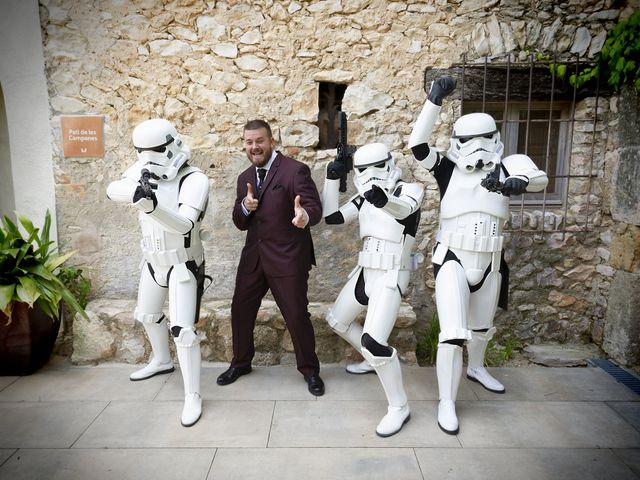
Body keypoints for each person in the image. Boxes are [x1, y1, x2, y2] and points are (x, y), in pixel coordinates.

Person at [408, 77, 548, 434]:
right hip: (452, 257)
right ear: (457, 144)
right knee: (453, 333)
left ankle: (478, 367)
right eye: (468, 142)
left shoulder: (508, 164)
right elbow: (418, 145)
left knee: (482, 328)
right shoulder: (446, 170)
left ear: (496, 138)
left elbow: (538, 177)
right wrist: (434, 101)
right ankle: (447, 401)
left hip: (490, 259)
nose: (477, 149)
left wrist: (517, 181)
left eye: (483, 140)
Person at [106, 118, 210, 427]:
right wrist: (135, 193)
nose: (150, 160)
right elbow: (113, 189)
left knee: (184, 331)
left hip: (183, 263)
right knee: (147, 315)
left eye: (157, 151)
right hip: (153, 262)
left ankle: (193, 394)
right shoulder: (142, 171)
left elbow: (186, 224)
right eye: (144, 153)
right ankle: (162, 361)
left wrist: (152, 208)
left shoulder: (194, 179)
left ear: (173, 145)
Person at [216, 119, 325, 396]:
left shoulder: (294, 171)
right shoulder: (245, 178)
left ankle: (310, 371)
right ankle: (241, 363)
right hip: (254, 259)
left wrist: (304, 216)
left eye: (260, 141)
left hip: (288, 259)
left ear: (271, 142)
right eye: (249, 142)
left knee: (297, 315)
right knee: (240, 310)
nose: (255, 147)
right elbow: (240, 222)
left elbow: (313, 206)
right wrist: (245, 206)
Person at [322, 142, 424, 437]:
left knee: (375, 342)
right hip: (366, 271)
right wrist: (331, 176)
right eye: (362, 171)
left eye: (376, 167)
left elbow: (405, 211)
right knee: (337, 320)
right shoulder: (363, 198)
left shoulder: (409, 190)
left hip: (392, 274)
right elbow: (331, 217)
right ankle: (373, 361)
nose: (370, 176)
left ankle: (399, 406)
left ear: (390, 164)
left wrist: (383, 200)